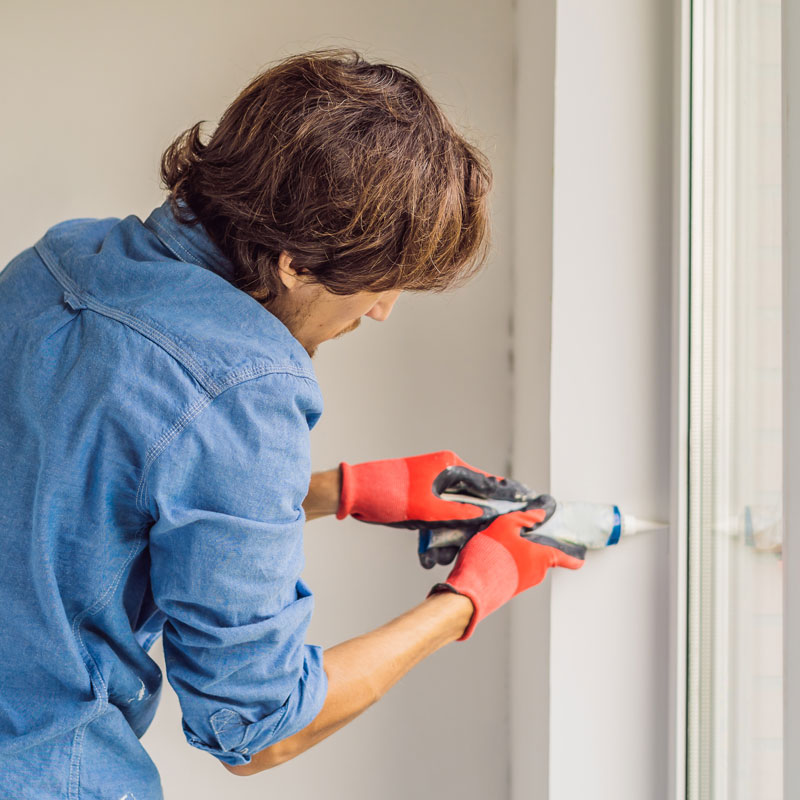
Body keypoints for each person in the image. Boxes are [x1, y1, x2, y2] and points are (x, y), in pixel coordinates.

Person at [0, 49, 584, 798]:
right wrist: (466, 601)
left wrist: (340, 490)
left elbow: (71, 504)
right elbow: (256, 728)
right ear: (295, 264)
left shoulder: (63, 258)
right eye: (376, 283)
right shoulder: (246, 382)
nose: (380, 309)